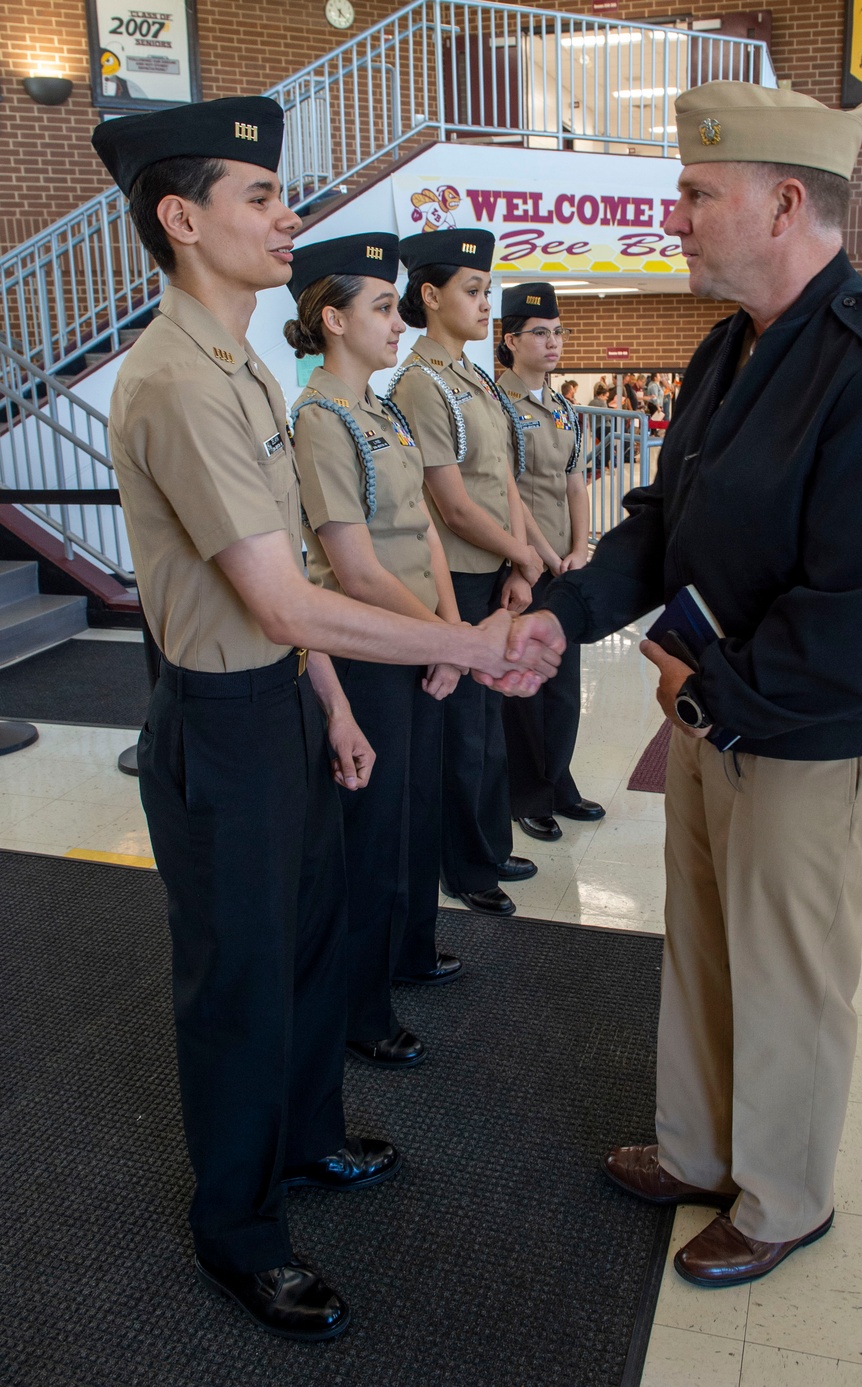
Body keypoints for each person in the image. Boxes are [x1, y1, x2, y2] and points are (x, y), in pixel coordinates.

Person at [91, 99, 560, 1342]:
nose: (287, 215)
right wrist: (465, 640)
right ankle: (237, 1230)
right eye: (259, 196)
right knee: (240, 983)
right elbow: (281, 591)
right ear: (181, 219)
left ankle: (301, 1141)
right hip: (223, 725)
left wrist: (335, 704)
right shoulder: (177, 382)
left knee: (307, 944)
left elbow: (286, 579)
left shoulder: (247, 361)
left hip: (284, 706)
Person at [510, 80, 862, 1288]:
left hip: (809, 741)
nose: (675, 216)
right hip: (716, 716)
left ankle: (782, 1198)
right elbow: (663, 523)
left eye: (694, 194)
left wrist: (703, 696)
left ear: (781, 203)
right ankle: (700, 1149)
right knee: (707, 948)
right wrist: (563, 615)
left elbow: (858, 617)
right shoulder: (731, 348)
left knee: (789, 977)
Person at [285, 233, 464, 1074]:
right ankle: (359, 1011)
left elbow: (424, 526)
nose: (400, 322)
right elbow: (351, 570)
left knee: (405, 826)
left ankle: (394, 963)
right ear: (332, 318)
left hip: (416, 641)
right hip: (365, 652)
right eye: (384, 307)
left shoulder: (382, 408)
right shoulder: (319, 420)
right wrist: (451, 639)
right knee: (367, 842)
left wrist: (449, 628)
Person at [388, 229, 541, 916]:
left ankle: (487, 840)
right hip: (453, 577)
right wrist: (518, 552)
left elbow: (500, 473)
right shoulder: (421, 384)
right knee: (462, 732)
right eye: (473, 290)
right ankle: (466, 864)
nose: (487, 304)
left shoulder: (474, 375)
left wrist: (518, 556)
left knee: (490, 719)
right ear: (429, 295)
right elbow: (449, 503)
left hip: (492, 570)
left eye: (486, 289)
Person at [495, 282, 604, 842]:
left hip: (565, 566)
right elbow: (509, 490)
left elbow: (576, 484)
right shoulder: (500, 407)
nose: (553, 341)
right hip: (524, 569)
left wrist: (581, 548)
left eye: (558, 331)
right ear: (510, 340)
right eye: (540, 332)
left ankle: (559, 780)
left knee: (564, 681)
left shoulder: (563, 408)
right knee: (526, 684)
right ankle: (528, 794)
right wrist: (540, 555)